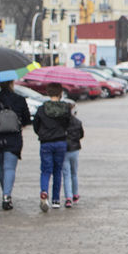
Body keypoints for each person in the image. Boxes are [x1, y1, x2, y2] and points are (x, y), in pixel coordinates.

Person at [0, 79, 32, 211]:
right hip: (13, 138)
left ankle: (5, 193)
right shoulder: (19, 99)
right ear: (12, 83)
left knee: (1, 167)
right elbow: (27, 119)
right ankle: (7, 195)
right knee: (9, 168)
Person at [32, 82, 73, 210]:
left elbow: (35, 126)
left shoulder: (41, 109)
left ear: (48, 92)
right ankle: (56, 200)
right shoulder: (66, 108)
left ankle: (44, 192)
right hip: (60, 142)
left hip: (46, 143)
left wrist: (42, 133)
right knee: (57, 171)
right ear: (60, 93)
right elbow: (68, 124)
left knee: (45, 170)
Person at [62, 109, 84, 208]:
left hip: (64, 150)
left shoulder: (62, 123)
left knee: (66, 174)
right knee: (74, 173)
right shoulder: (78, 122)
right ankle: (75, 194)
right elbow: (81, 135)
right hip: (75, 149)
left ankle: (68, 198)